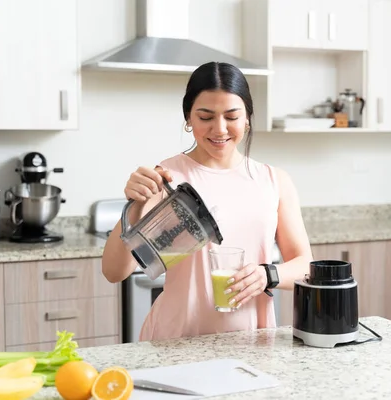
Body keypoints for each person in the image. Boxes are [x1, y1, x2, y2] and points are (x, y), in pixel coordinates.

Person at [102, 61, 313, 341]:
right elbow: (115, 272)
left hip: (252, 341)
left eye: (232, 116)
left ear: (248, 118)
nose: (220, 129)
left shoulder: (274, 181)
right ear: (188, 118)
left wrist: (267, 275)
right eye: (205, 117)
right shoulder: (167, 178)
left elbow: (305, 266)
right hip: (176, 340)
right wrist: (135, 206)